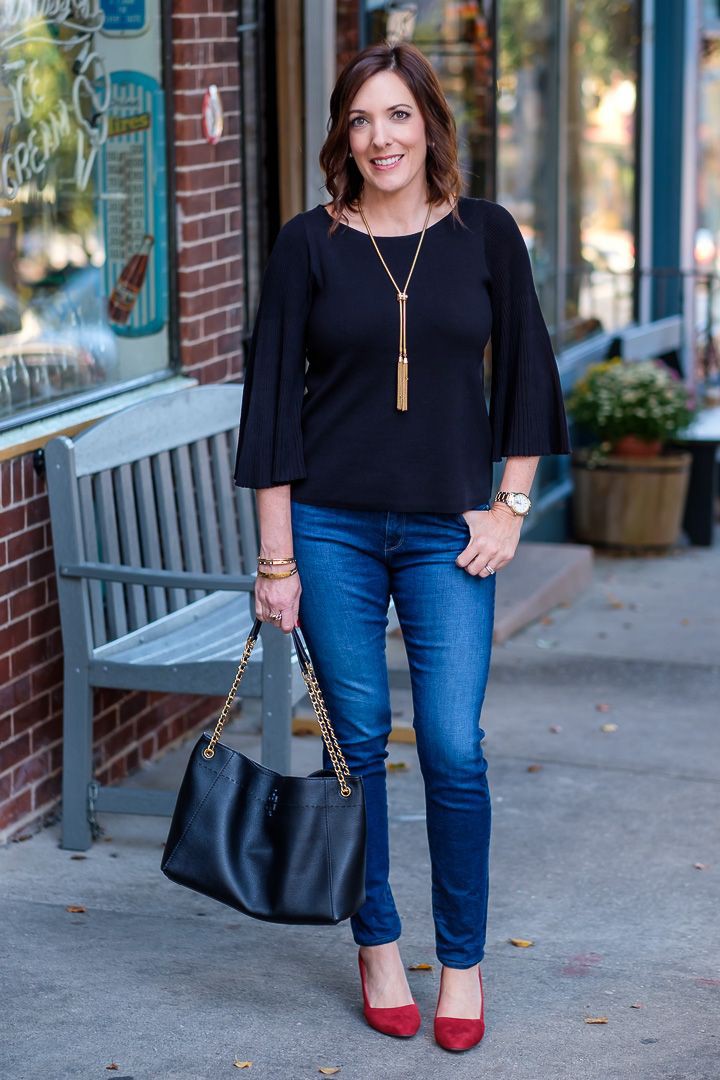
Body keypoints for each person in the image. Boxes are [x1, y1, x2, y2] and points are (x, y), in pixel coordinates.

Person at [234, 40, 571, 1053]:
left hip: (446, 533)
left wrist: (511, 505)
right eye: (360, 119)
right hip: (330, 529)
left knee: (456, 750)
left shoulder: (485, 236)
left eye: (397, 115)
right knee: (361, 749)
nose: (379, 137)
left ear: (430, 123)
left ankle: (460, 962)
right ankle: (378, 943)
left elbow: (528, 377)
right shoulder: (311, 244)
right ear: (344, 134)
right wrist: (276, 559)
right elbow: (270, 415)